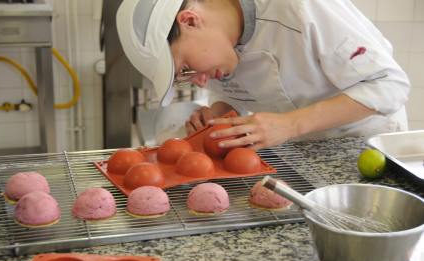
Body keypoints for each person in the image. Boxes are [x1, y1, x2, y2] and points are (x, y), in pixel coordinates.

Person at [116, 0, 410, 151]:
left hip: (365, 144)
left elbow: (389, 85)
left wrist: (291, 125)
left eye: (185, 67)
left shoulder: (300, 8)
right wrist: (221, 112)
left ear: (190, 20)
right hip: (302, 151)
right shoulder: (219, 44)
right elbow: (231, 92)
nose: (200, 80)